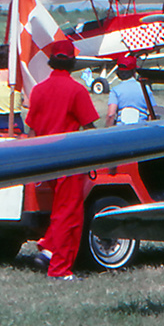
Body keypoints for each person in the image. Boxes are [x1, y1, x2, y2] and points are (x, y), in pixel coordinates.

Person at [25, 38, 100, 280]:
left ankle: (47, 247)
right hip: (68, 158)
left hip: (44, 159)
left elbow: (31, 131)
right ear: (72, 63)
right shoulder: (76, 90)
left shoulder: (38, 90)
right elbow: (90, 126)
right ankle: (58, 267)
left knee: (59, 210)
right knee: (70, 214)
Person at [106, 55, 156, 125]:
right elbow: (154, 112)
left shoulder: (115, 90)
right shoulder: (145, 88)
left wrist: (108, 129)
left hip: (121, 130)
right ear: (134, 72)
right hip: (141, 128)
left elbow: (111, 114)